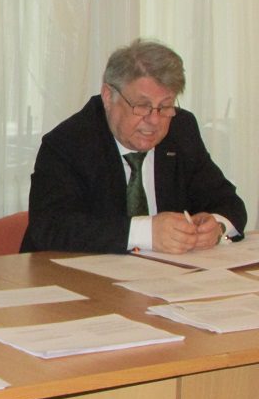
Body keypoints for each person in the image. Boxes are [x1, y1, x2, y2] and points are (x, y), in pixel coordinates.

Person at [21, 38, 246, 254]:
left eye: (165, 106)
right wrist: (147, 232)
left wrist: (217, 226)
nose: (154, 120)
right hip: (75, 276)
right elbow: (51, 227)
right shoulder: (69, 143)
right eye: (142, 106)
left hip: (165, 276)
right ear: (108, 96)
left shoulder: (181, 130)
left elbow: (228, 202)